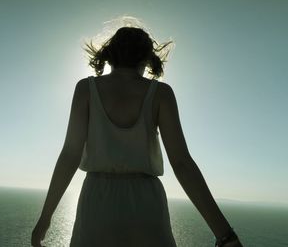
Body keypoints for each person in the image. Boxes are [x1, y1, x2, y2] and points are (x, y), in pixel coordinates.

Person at [31, 24, 243, 247]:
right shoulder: (161, 93)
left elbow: (69, 155)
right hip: (147, 204)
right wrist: (224, 234)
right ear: (147, 58)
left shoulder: (85, 89)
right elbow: (182, 163)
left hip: (96, 203)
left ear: (110, 55)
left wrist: (45, 218)